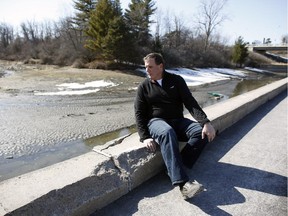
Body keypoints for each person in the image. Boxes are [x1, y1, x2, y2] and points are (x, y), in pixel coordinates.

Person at [134, 53, 216, 200]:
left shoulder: (176, 80)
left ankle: (172, 169)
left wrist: (206, 122)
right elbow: (139, 113)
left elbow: (190, 102)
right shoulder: (144, 86)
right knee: (167, 131)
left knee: (200, 132)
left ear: (160, 66)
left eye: (150, 67)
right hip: (156, 122)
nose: (147, 70)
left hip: (178, 120)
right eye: (145, 67)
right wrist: (144, 137)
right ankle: (183, 185)